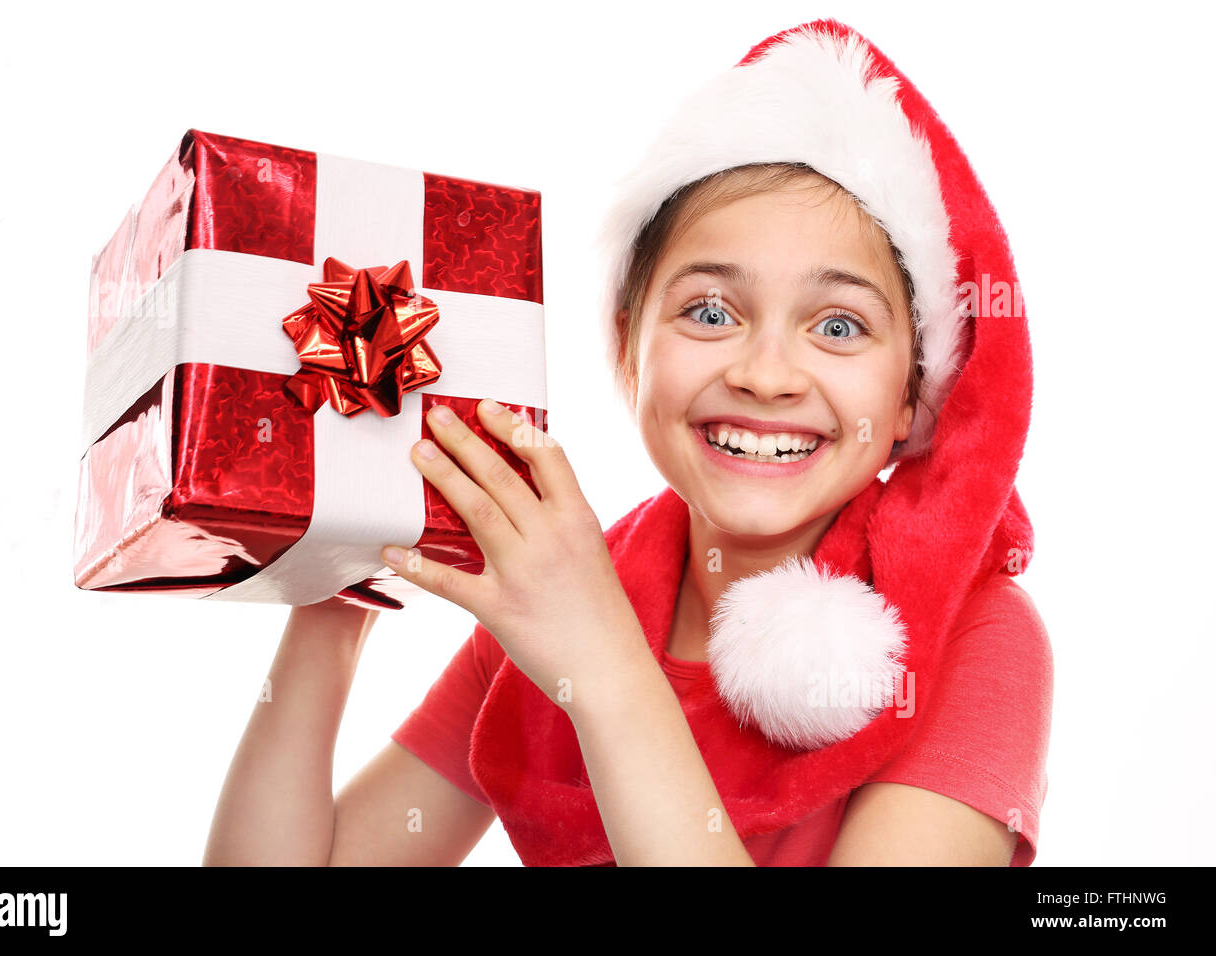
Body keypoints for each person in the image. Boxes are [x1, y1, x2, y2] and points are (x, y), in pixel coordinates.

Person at [204, 18, 1052, 867]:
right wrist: (337, 586)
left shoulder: (977, 637)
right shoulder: (557, 595)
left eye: (838, 325)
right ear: (627, 349)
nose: (766, 375)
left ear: (911, 394)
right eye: (709, 312)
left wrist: (603, 666)